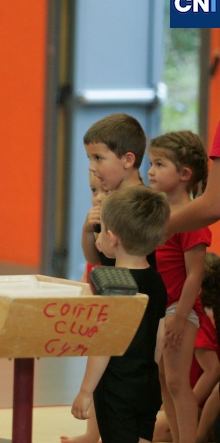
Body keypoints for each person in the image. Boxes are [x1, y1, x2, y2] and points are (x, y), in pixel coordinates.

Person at [71, 186, 170, 443]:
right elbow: (160, 337)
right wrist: (148, 372)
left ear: (112, 239)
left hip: (117, 388)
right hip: (147, 383)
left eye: (102, 230)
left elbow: (103, 345)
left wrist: (85, 391)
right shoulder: (156, 280)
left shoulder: (112, 284)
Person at [147, 130, 211, 443]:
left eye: (159, 164)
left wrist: (180, 317)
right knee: (164, 381)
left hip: (180, 310)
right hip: (162, 308)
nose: (150, 171)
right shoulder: (161, 215)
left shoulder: (191, 220)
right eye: (151, 163)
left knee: (176, 382)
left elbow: (195, 276)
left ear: (185, 174)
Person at [60, 173, 108, 443]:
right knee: (96, 376)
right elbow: (89, 268)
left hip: (111, 309)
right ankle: (92, 433)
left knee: (104, 379)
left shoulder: (115, 231)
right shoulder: (95, 230)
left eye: (105, 192)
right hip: (95, 306)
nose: (98, 198)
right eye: (93, 190)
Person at [81, 113, 149, 269]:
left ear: (128, 160)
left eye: (98, 158)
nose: (91, 167)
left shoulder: (144, 203)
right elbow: (94, 259)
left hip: (136, 283)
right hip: (114, 281)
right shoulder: (109, 202)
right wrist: (87, 230)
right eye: (89, 158)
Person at [196, 252, 220, 443]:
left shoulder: (200, 318)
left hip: (200, 405)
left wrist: (187, 405)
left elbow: (213, 370)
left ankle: (200, 436)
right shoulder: (208, 313)